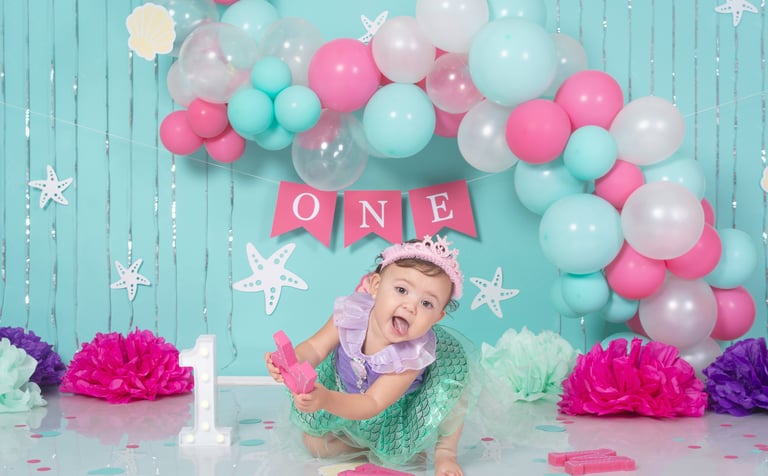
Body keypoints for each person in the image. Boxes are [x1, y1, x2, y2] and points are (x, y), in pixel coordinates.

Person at [265, 235, 473, 476]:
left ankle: (446, 452)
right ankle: (365, 448)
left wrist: (325, 400)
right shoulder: (350, 315)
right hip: (345, 394)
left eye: (427, 303)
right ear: (375, 286)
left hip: (390, 411)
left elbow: (373, 403)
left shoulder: (413, 356)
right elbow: (315, 348)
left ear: (437, 317)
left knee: (448, 405)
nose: (410, 306)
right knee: (315, 445)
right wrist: (289, 361)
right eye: (401, 290)